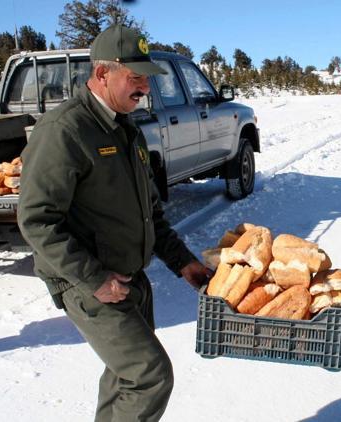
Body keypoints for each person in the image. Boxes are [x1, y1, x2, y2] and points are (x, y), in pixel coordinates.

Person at [17, 25, 210, 422]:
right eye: (135, 78)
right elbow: (36, 220)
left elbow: (149, 214)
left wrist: (183, 262)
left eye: (146, 79)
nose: (145, 89)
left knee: (125, 378)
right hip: (87, 281)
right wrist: (94, 278)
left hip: (130, 277)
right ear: (103, 74)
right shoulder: (65, 131)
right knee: (149, 376)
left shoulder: (127, 129)